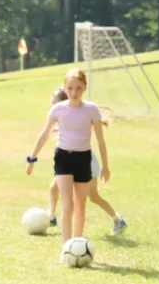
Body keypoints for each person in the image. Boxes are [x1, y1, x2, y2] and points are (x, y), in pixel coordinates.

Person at [26, 68, 109, 253]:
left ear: (84, 88)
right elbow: (45, 134)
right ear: (65, 88)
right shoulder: (58, 109)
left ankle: (77, 244)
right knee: (68, 204)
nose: (74, 92)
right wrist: (32, 158)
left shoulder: (91, 109)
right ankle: (66, 248)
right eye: (70, 88)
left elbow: (101, 141)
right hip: (63, 157)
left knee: (80, 206)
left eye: (79, 88)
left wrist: (105, 167)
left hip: (83, 158)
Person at [44, 87, 127, 235]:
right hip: (70, 161)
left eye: (54, 103)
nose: (53, 106)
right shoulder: (62, 115)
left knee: (93, 196)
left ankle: (118, 220)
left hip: (86, 161)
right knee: (53, 188)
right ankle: (51, 217)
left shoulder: (75, 114)